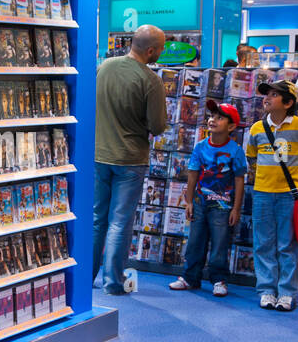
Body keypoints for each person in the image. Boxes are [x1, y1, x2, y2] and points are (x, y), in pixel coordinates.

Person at [93, 24, 166, 295]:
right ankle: (113, 282)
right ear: (150, 50)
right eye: (160, 49)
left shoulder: (105, 66)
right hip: (130, 158)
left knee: (96, 218)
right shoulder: (151, 80)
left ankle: (86, 276)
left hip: (98, 153)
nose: (161, 52)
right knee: (119, 221)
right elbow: (157, 126)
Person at [244, 80, 298, 311]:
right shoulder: (257, 128)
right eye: (266, 94)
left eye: (274, 94)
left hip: (289, 195)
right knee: (263, 243)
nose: (267, 98)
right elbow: (251, 156)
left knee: (287, 244)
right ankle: (267, 290)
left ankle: (287, 292)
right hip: (262, 193)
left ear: (288, 102)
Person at [169, 101, 246, 296]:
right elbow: (193, 174)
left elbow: (239, 180)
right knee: (195, 240)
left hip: (222, 205)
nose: (213, 120)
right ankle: (190, 277)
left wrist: (236, 209)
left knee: (220, 243)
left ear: (231, 126)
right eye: (212, 116)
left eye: (220, 117)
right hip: (199, 203)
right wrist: (188, 201)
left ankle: (218, 279)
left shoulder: (235, 151)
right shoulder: (200, 147)